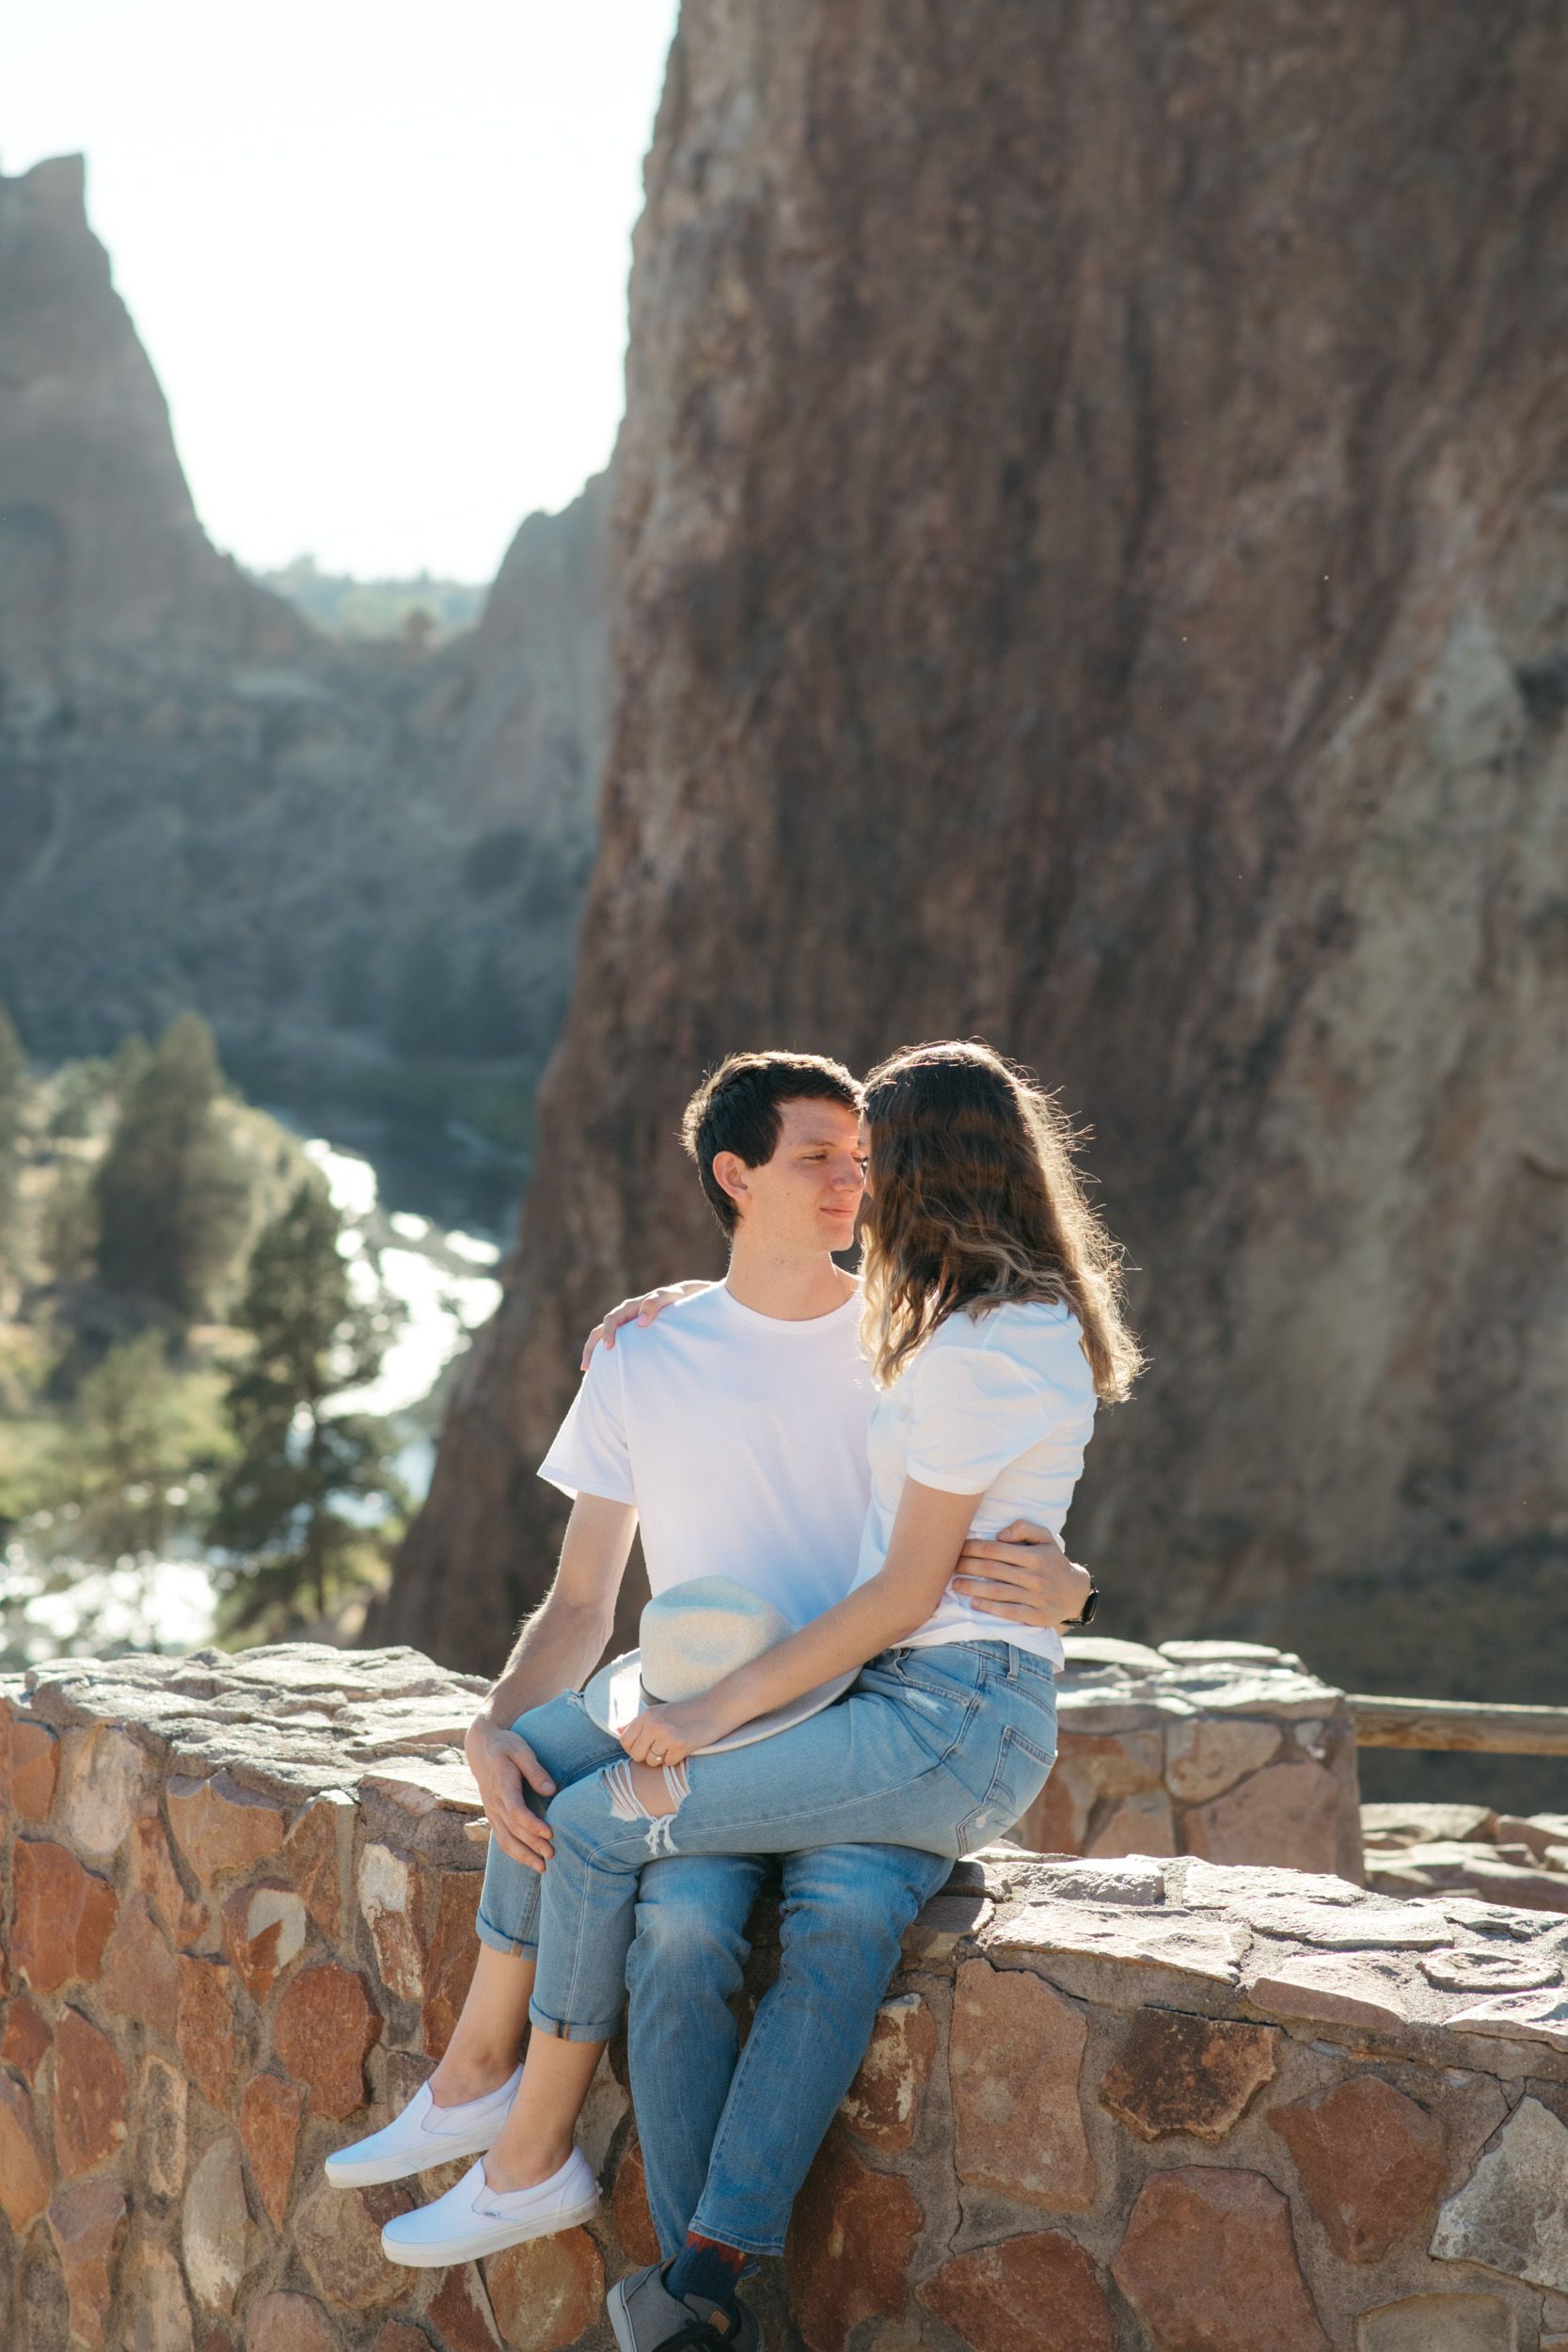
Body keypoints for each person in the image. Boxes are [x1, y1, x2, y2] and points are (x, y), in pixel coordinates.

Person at [358, 1040, 1138, 2351]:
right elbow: (619, 1568)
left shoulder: (963, 1342)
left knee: (644, 1837)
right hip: (874, 1700)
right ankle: (704, 2277)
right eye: (825, 1161)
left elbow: (914, 1584)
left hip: (924, 1710)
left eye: (869, 1159)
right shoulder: (936, 1317)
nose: (852, 1187)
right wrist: (672, 1316)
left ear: (927, 1168)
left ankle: (536, 2145)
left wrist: (1070, 1596)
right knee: (702, 1913)